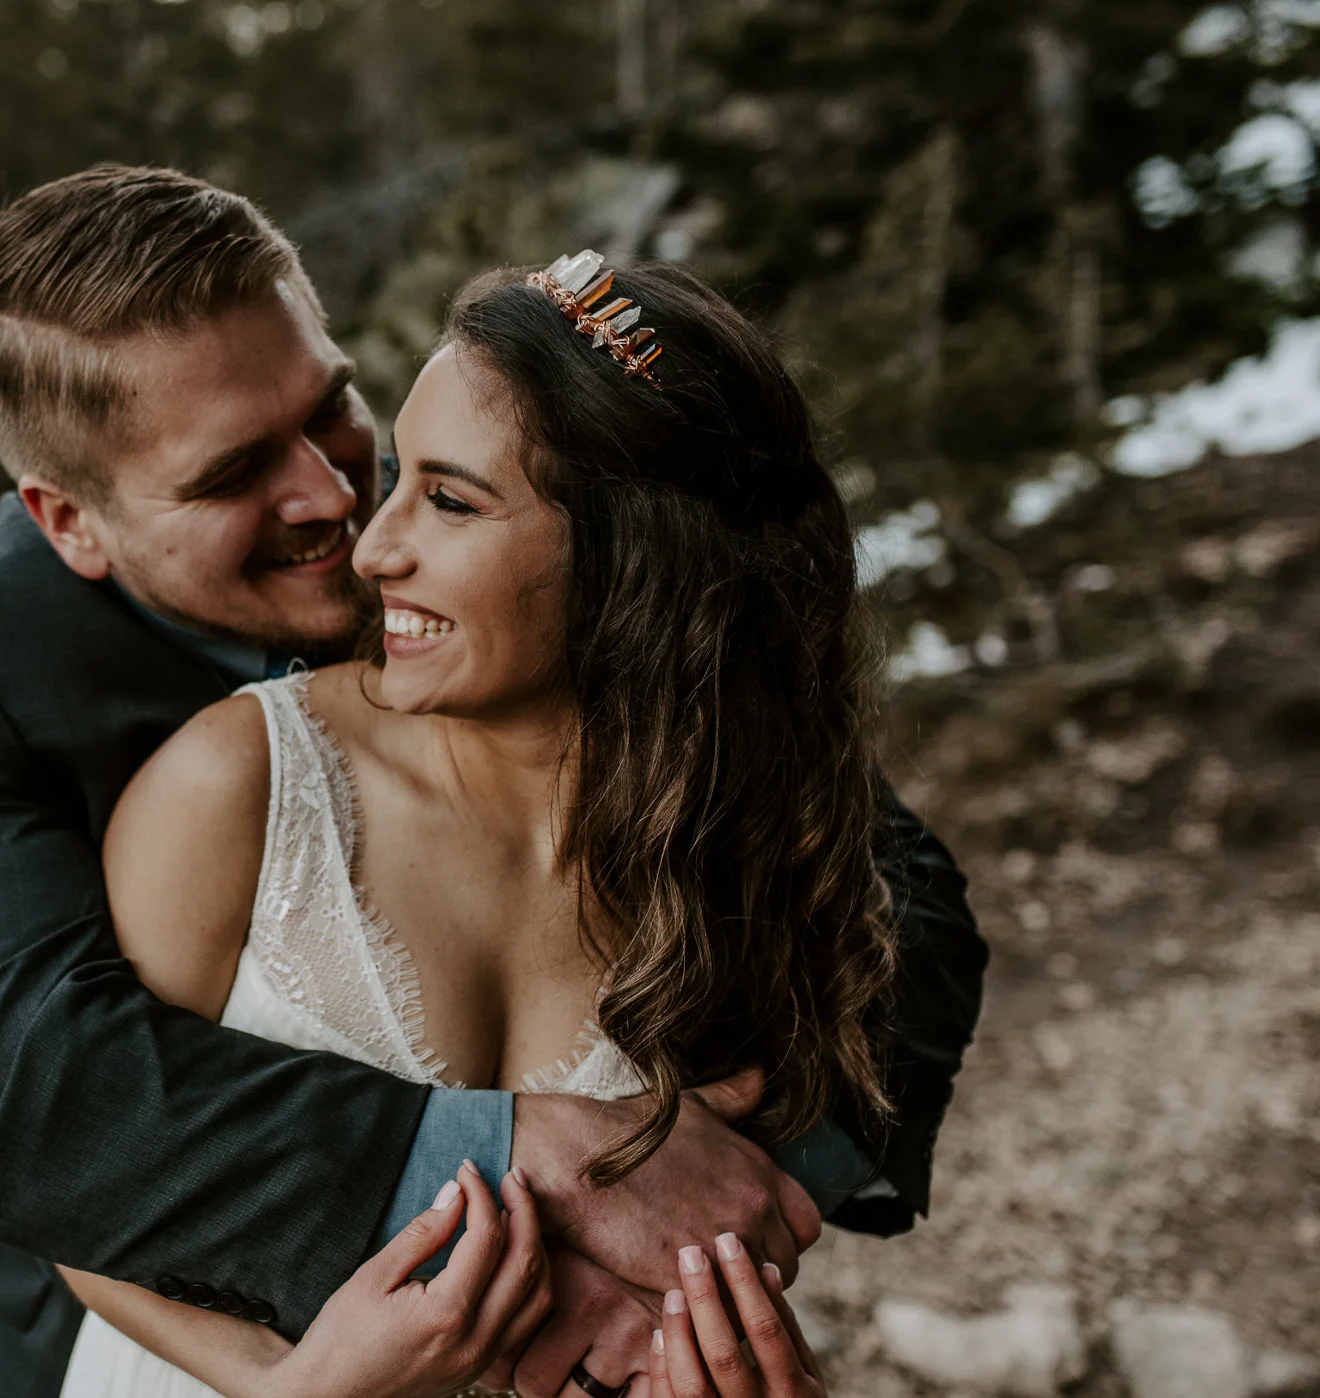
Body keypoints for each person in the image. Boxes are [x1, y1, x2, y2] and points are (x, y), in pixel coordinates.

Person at [0, 167, 988, 1398]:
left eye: (328, 406)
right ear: (67, 520)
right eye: (233, 474)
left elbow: (888, 884)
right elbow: (41, 1101)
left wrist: (727, 1209)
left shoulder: (522, 547)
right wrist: (520, 1161)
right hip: (157, 1306)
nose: (338, 504)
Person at [50, 254, 904, 1396]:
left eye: (450, 501)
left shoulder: (746, 860)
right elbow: (80, 1195)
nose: (372, 547)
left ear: (631, 560)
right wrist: (285, 1388)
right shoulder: (241, 786)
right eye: (397, 476)